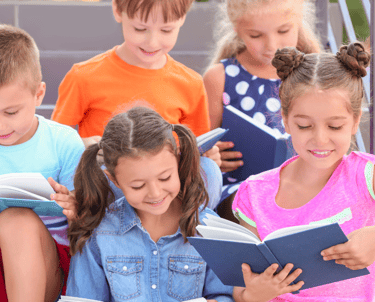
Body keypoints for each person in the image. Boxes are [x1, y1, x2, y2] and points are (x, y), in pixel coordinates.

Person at [232, 42, 375, 301]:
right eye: (305, 126)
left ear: (354, 122)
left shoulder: (367, 175)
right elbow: (241, 289)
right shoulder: (255, 194)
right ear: (286, 120)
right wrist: (253, 294)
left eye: (334, 127)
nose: (320, 140)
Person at [65, 106, 234, 302]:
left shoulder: (209, 230)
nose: (155, 193)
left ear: (178, 163)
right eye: (138, 186)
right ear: (115, 180)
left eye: (165, 178)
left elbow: (225, 295)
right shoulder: (99, 234)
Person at [203, 0, 321, 211]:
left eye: (284, 30)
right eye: (256, 36)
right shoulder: (219, 78)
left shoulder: (314, 75)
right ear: (236, 28)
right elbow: (203, 145)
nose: (272, 45)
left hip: (303, 188)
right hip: (239, 192)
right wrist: (211, 156)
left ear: (298, 23)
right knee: (254, 204)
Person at [0, 25, 85, 301]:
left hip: (48, 266)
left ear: (39, 95)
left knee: (17, 220)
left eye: (11, 112)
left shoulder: (63, 143)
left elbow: (87, 226)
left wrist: (74, 208)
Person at [51, 0, 211, 146]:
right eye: (140, 29)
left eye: (166, 30)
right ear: (118, 10)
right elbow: (55, 141)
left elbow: (197, 150)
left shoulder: (191, 84)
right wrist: (81, 145)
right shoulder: (83, 77)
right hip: (103, 175)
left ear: (182, 18)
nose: (152, 42)